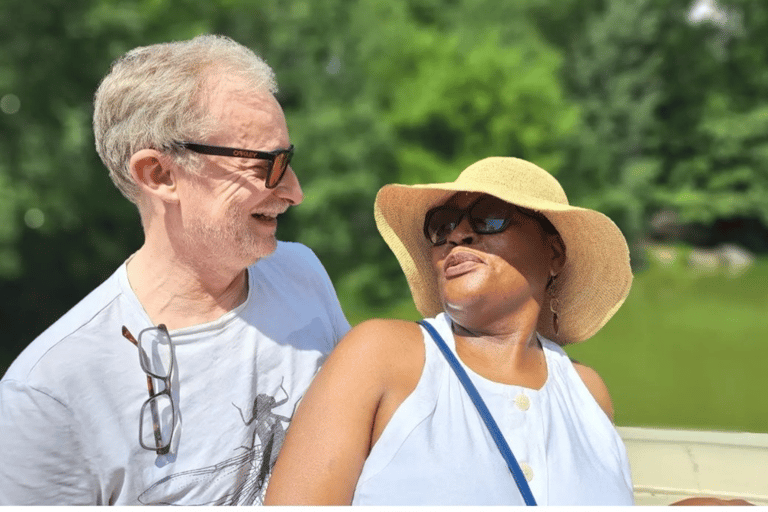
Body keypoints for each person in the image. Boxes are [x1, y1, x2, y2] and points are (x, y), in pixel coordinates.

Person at [0, 35, 350, 505]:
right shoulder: (50, 394)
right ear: (159, 175)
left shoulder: (301, 274)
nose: (293, 190)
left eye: (288, 159)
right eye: (265, 164)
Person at [265, 156, 636, 505]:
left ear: (553, 253)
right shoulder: (383, 355)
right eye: (442, 225)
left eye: (489, 217)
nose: (457, 234)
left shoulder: (588, 392)